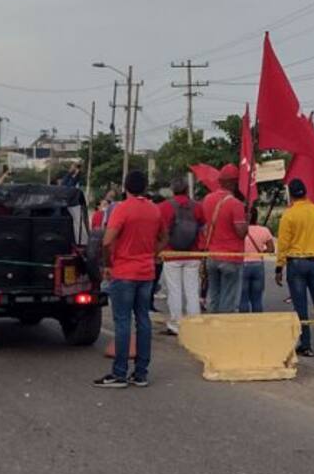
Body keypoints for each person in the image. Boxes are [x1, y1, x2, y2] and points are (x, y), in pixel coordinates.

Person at [94, 170, 166, 388]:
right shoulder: (154, 210)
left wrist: (107, 264)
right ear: (145, 187)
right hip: (146, 272)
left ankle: (119, 374)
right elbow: (164, 237)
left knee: (123, 322)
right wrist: (152, 254)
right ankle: (141, 373)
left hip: (124, 272)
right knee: (143, 320)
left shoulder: (122, 209)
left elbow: (107, 241)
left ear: (125, 187)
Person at [275, 178, 314, 356]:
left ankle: (305, 345)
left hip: (296, 263)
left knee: (300, 306)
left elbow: (283, 243)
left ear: (290, 195)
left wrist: (279, 267)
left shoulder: (289, 215)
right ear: (306, 192)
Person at [158, 176, 204, 335]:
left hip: (172, 253)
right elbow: (203, 226)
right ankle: (195, 323)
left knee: (174, 290)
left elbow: (160, 230)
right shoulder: (197, 207)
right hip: (193, 253)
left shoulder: (165, 207)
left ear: (172, 190)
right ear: (187, 189)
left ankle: (175, 325)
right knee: (192, 290)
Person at [200, 164, 247, 313]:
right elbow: (241, 232)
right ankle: (224, 330)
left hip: (212, 257)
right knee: (228, 299)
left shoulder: (207, 199)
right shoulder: (236, 204)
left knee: (214, 296)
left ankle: (212, 329)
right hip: (231, 257)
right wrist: (246, 222)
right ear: (233, 182)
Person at [238, 206, 274, 313]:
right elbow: (271, 249)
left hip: (242, 264)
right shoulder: (264, 230)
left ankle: (244, 323)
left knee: (243, 298)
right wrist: (260, 253)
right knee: (257, 299)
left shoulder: (240, 231)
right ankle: (257, 322)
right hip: (258, 265)